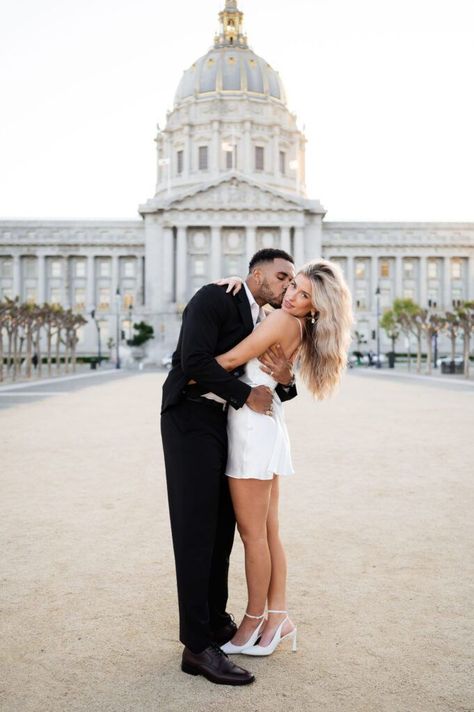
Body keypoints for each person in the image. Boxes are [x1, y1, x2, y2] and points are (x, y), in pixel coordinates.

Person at [160, 249, 297, 686]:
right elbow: (191, 364)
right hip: (190, 417)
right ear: (254, 274)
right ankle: (196, 647)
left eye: (292, 281)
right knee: (196, 530)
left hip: (223, 425)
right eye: (280, 277)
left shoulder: (263, 317)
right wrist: (244, 396)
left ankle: (215, 621)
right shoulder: (214, 297)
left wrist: (286, 379)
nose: (286, 287)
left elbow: (268, 381)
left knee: (221, 529)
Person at [211, 259, 353, 657]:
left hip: (251, 429)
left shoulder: (280, 323)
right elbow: (263, 307)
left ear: (316, 307)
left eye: (304, 295)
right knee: (269, 532)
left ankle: (254, 619)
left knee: (253, 535)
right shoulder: (294, 323)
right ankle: (278, 617)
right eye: (294, 285)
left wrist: (186, 373)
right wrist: (241, 282)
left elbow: (228, 361)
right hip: (267, 425)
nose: (292, 296)